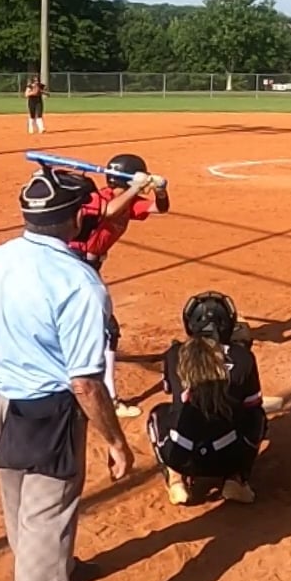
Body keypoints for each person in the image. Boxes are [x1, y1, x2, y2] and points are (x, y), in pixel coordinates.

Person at [0, 164, 135, 581]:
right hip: (48, 412)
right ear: (77, 219)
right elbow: (84, 381)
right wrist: (116, 441)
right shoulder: (78, 281)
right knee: (46, 524)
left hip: (1, 401)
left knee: (20, 511)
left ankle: (53, 572)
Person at [69, 154, 171, 420]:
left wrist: (160, 191)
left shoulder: (131, 201)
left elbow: (160, 208)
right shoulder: (99, 198)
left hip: (89, 268)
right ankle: (109, 400)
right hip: (73, 266)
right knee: (107, 330)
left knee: (87, 328)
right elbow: (110, 211)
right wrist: (136, 187)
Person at [147, 291, 268, 506]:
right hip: (228, 457)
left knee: (159, 413)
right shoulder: (243, 357)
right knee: (257, 416)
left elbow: (170, 391)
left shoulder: (174, 354)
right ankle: (235, 480)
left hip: (181, 456)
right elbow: (252, 404)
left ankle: (175, 479)